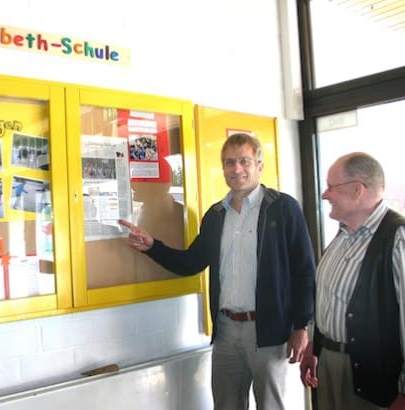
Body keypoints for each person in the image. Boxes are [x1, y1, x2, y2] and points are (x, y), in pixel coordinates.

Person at [119, 132, 316, 409]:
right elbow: (191, 262)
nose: (237, 169)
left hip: (270, 332)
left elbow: (305, 270)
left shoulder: (283, 209)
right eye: (229, 162)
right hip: (226, 331)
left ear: (259, 165)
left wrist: (301, 326)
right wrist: (153, 246)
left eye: (245, 161)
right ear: (223, 168)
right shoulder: (216, 215)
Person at [299, 152, 405, 410]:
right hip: (329, 366)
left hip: (372, 381)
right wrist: (313, 345)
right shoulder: (342, 236)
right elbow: (327, 299)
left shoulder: (401, 240)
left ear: (357, 190)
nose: (324, 195)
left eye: (331, 187)